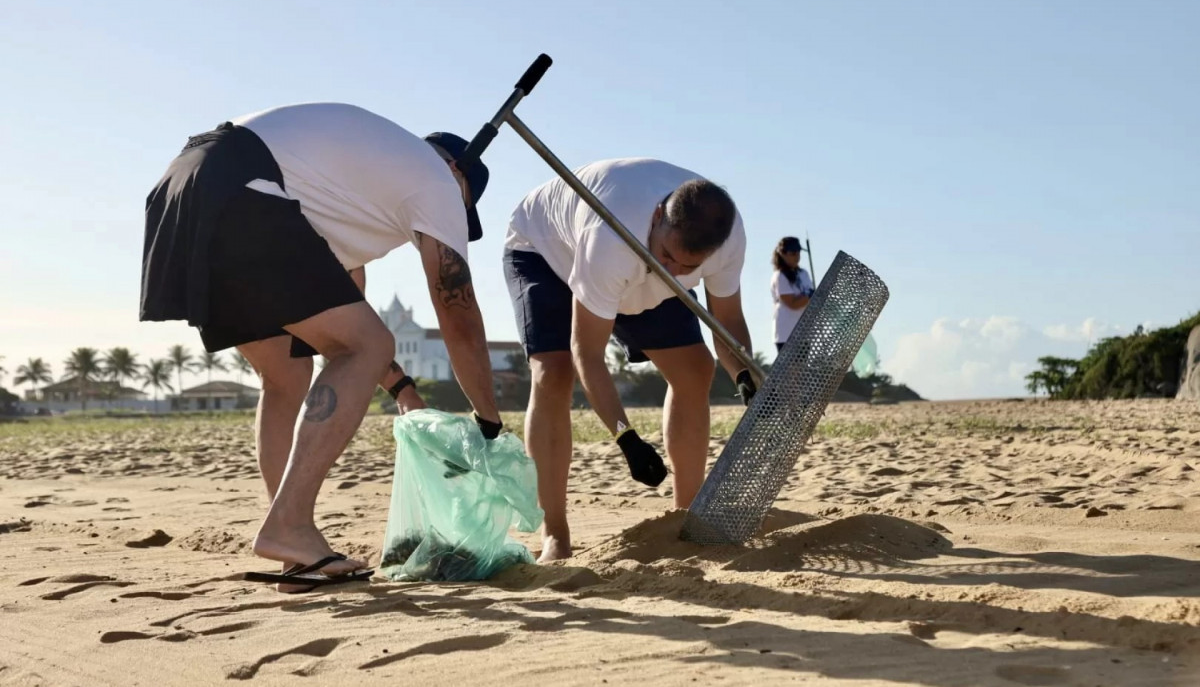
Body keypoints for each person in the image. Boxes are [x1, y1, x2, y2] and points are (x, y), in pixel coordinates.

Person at [140, 103, 504, 590]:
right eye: (463, 207)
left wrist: (401, 388)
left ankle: (295, 549)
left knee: (287, 375)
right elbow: (458, 319)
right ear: (456, 174)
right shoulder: (435, 181)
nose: (454, 220)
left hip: (186, 186)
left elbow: (347, 318)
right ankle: (288, 524)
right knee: (364, 346)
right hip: (246, 190)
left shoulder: (354, 184)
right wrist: (488, 420)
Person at [502, 157, 756, 562]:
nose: (671, 270)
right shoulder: (609, 240)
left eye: (687, 267)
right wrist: (626, 438)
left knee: (695, 368)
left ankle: (685, 519)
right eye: (667, 256)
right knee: (554, 374)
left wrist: (745, 374)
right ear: (658, 216)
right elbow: (587, 353)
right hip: (546, 251)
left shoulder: (726, 240)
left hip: (629, 264)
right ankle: (556, 534)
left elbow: (726, 321)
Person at [771, 236, 815, 352]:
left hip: (804, 333)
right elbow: (792, 303)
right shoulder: (780, 276)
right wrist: (810, 296)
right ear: (783, 254)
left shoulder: (803, 273)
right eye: (793, 253)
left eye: (798, 252)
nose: (797, 256)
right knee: (792, 370)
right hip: (786, 334)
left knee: (803, 369)